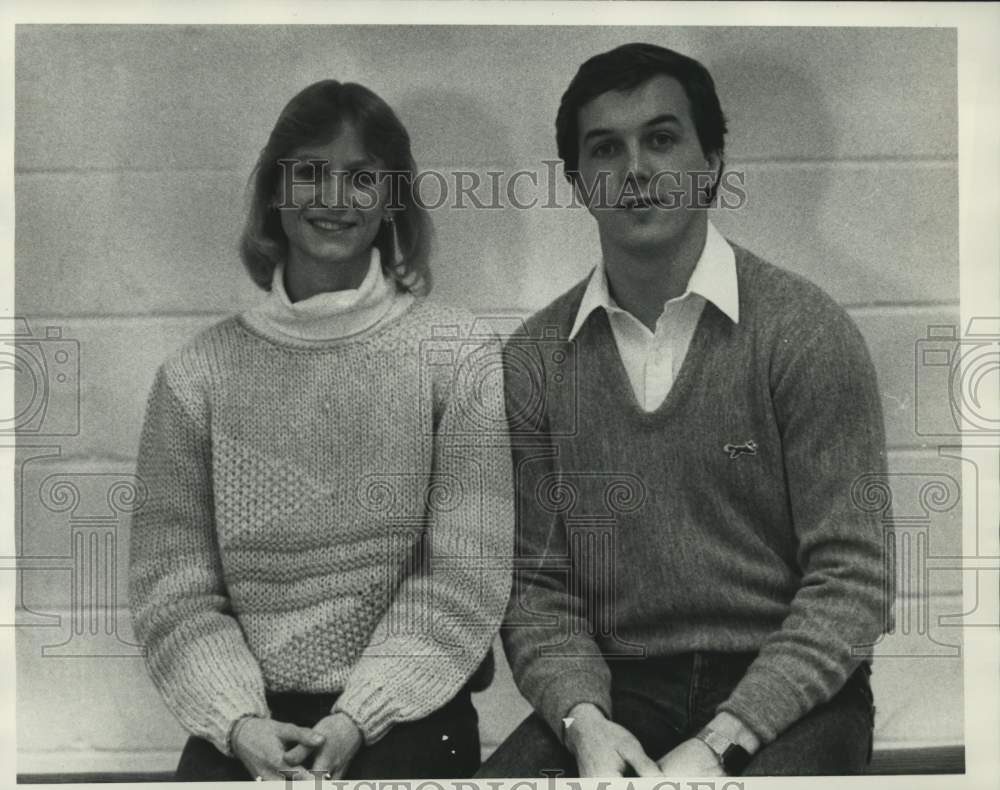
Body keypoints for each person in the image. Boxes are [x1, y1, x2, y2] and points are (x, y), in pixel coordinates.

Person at [479, 43, 888, 778]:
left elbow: (853, 581)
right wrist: (584, 723)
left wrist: (725, 741)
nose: (635, 171)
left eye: (661, 140)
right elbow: (539, 588)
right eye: (606, 150)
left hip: (789, 693)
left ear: (713, 163)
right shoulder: (533, 360)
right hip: (616, 693)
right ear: (578, 182)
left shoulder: (806, 332)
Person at [129, 80, 514, 781]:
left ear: (393, 199)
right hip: (250, 719)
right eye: (309, 172)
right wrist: (239, 723)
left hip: (410, 709)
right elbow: (175, 592)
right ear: (276, 191)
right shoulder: (194, 378)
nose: (333, 199)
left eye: (362, 178)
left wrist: (356, 719)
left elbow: (463, 575)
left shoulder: (459, 356)